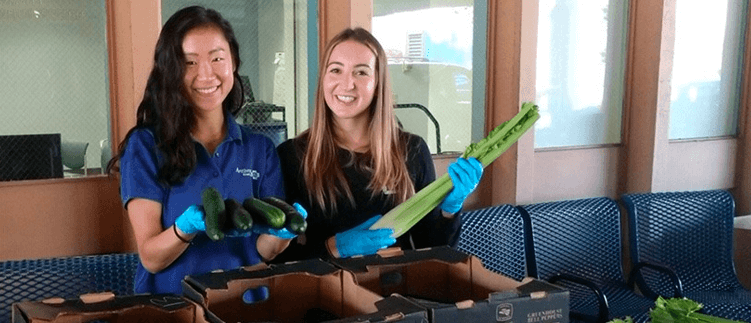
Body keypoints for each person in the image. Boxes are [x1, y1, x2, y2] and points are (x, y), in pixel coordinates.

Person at [110, 6, 298, 295]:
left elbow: (264, 252)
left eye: (217, 58)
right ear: (171, 70)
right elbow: (151, 258)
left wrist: (283, 233)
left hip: (244, 310)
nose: (206, 74)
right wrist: (185, 227)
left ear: (233, 62)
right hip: (174, 313)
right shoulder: (146, 147)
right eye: (189, 63)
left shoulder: (260, 149)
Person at [274, 27, 483, 261]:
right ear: (323, 79)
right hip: (326, 291)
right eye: (336, 70)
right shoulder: (292, 156)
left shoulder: (412, 151)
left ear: (377, 84)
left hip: (397, 289)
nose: (347, 83)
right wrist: (332, 248)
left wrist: (450, 210)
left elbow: (432, 248)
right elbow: (279, 259)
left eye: (361, 73)